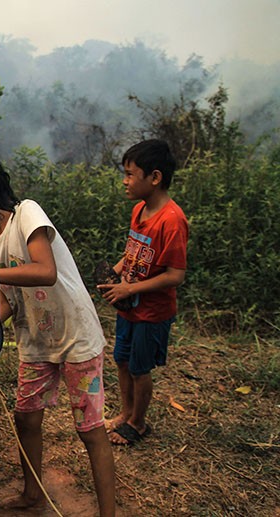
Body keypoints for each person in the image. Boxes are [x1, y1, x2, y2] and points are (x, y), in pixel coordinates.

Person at [0, 151, 115, 516]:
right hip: (35, 342)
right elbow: (7, 302)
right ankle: (33, 495)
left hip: (75, 336)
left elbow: (45, 270)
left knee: (89, 429)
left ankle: (108, 512)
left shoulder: (27, 213)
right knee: (26, 418)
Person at [97, 139, 188, 446]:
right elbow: (133, 253)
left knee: (139, 367)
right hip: (129, 306)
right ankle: (126, 413)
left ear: (155, 177)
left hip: (152, 312)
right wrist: (117, 276)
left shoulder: (172, 221)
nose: (125, 181)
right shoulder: (139, 210)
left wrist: (130, 287)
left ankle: (138, 423)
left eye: (130, 174)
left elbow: (176, 275)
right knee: (122, 359)